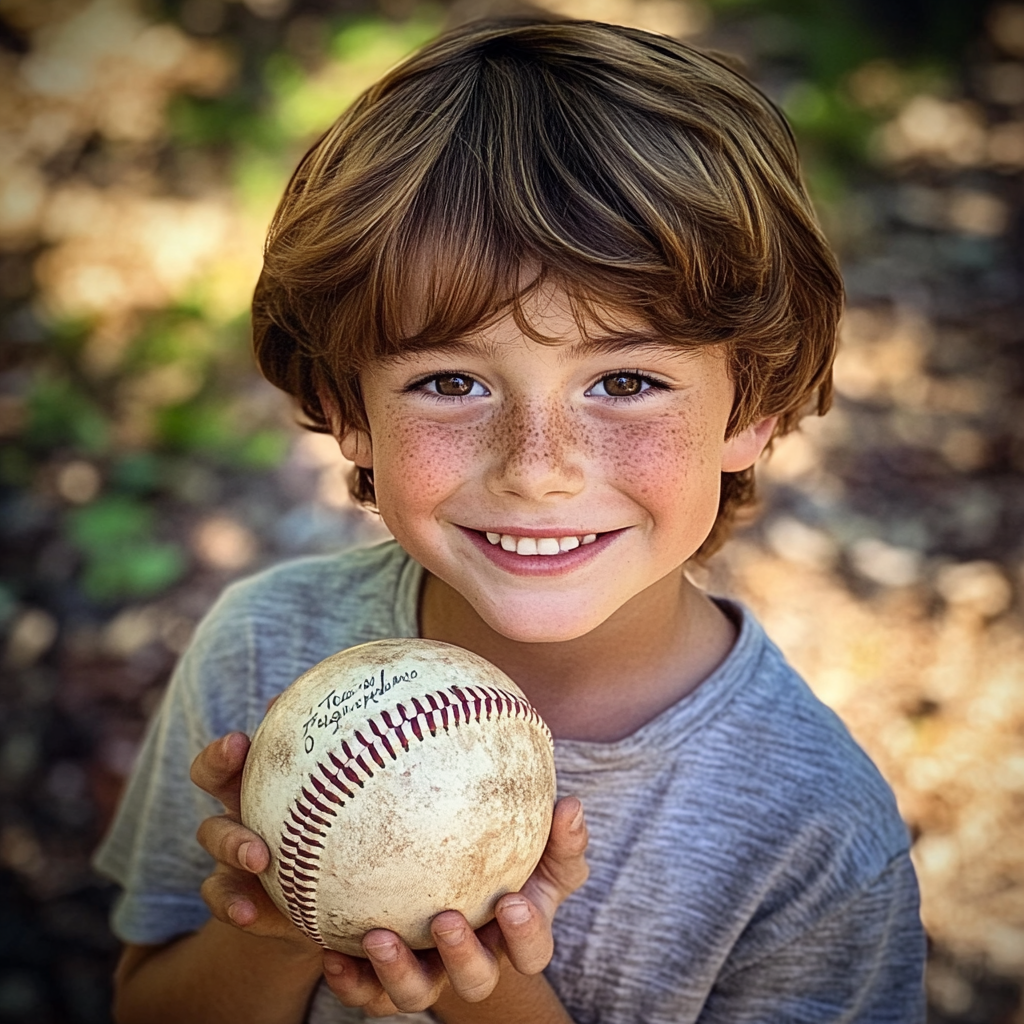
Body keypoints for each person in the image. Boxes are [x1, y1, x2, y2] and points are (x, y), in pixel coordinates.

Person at [94, 17, 927, 1024]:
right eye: (450, 380)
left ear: (749, 408)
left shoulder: (809, 832)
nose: (536, 468)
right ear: (350, 412)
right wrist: (278, 919)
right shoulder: (265, 652)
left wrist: (484, 991)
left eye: (625, 380)